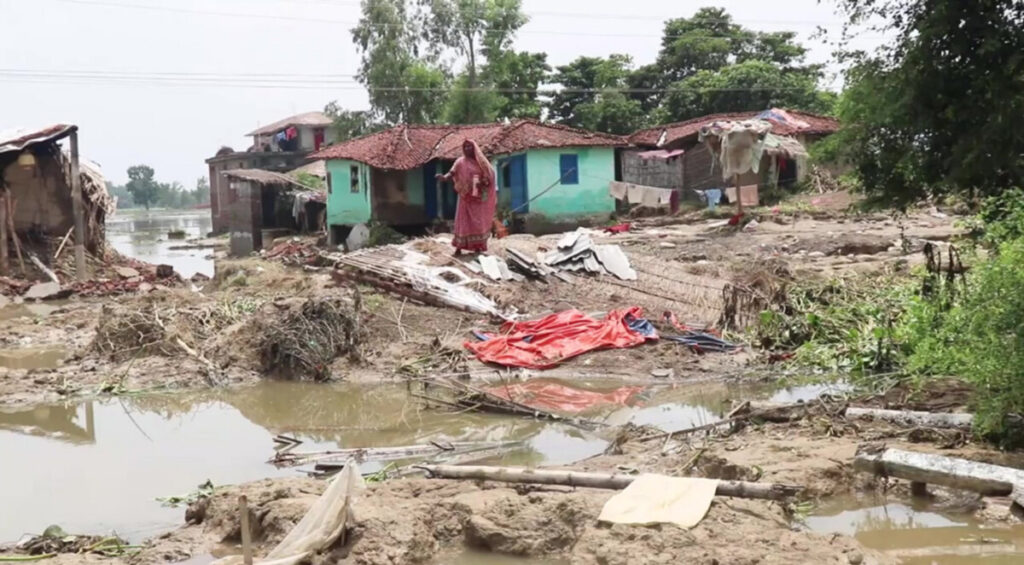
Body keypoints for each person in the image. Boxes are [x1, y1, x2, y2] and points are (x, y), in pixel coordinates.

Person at [436, 139, 497, 254]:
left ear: (474, 148)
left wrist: (482, 183)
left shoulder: (481, 163)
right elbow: (452, 173)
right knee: (462, 222)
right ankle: (459, 247)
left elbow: (490, 176)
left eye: (469, 147)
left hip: (478, 198)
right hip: (465, 198)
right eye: (465, 147)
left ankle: (478, 246)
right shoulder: (460, 162)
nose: (467, 149)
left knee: (478, 222)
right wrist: (444, 177)